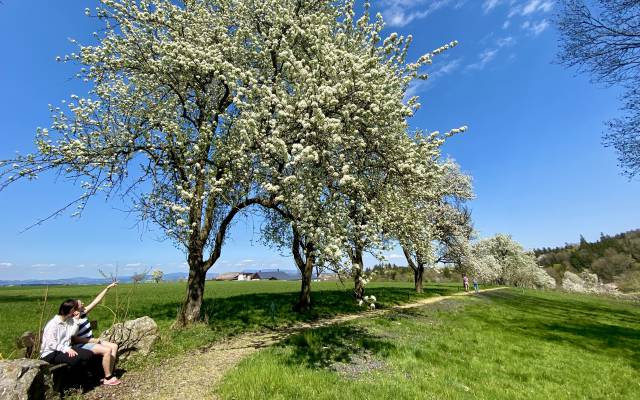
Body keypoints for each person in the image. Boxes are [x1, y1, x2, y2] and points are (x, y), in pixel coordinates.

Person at [73, 282, 121, 386]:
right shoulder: (72, 320)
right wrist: (92, 341)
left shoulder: (83, 313)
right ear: (76, 307)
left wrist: (107, 288)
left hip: (91, 341)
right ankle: (108, 377)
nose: (84, 304)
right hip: (82, 344)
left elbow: (96, 301)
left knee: (114, 346)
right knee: (108, 349)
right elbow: (74, 339)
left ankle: (108, 373)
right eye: (81, 303)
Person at [40, 299, 93, 371]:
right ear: (68, 311)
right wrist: (66, 349)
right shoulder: (53, 324)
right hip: (50, 353)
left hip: (63, 349)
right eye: (74, 309)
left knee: (89, 354)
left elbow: (72, 334)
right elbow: (51, 343)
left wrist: (76, 320)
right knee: (77, 359)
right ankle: (73, 380)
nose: (76, 311)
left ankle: (82, 379)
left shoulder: (68, 320)